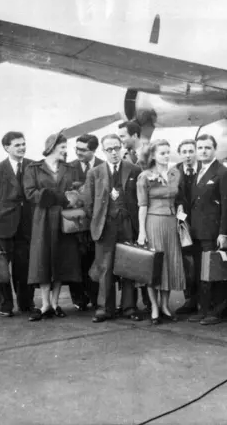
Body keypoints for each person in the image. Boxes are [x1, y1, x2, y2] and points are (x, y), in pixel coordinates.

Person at [23, 131, 83, 321]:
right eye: (62, 148)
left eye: (66, 148)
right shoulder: (33, 168)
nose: (66, 151)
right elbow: (30, 193)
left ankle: (55, 303)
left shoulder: (70, 168)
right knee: (42, 260)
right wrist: (59, 196)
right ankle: (45, 304)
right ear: (51, 148)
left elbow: (76, 191)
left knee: (61, 259)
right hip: (43, 219)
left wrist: (72, 197)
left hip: (64, 219)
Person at [85, 134, 143, 323]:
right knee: (105, 267)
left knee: (129, 266)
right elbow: (89, 203)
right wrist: (98, 221)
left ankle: (129, 307)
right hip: (105, 225)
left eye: (116, 148)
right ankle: (105, 309)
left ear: (122, 148)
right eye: (109, 149)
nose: (114, 152)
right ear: (103, 151)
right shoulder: (95, 173)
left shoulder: (134, 169)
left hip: (127, 224)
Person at [0, 132, 35, 317]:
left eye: (23, 144)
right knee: (1, 268)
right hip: (1, 227)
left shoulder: (33, 166)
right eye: (17, 145)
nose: (22, 147)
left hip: (26, 227)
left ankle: (26, 304)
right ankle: (5, 306)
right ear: (6, 148)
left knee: (25, 267)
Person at [136, 140, 187, 324]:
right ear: (153, 156)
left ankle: (165, 305)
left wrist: (180, 211)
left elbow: (179, 198)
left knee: (169, 265)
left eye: (168, 152)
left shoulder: (175, 173)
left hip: (171, 223)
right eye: (162, 153)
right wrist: (142, 232)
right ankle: (155, 308)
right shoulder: (145, 177)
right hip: (153, 222)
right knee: (154, 266)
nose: (166, 156)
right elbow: (142, 206)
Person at [186, 134, 227, 325]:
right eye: (200, 148)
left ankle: (218, 311)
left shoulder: (223, 173)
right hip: (197, 231)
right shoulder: (197, 171)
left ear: (215, 149)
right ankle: (204, 309)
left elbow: (226, 205)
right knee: (201, 272)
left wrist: (224, 232)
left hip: (213, 232)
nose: (203, 151)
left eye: (207, 147)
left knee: (214, 271)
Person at [118, 120, 152, 313]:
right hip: (128, 217)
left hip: (145, 215)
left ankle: (149, 302)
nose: (121, 140)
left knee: (147, 259)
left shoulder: (148, 154)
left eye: (123, 136)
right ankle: (129, 303)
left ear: (135, 136)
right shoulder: (124, 156)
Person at [68, 134, 103, 311]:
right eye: (77, 149)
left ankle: (96, 297)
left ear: (94, 150)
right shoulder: (69, 167)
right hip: (75, 224)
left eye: (83, 150)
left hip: (96, 223)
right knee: (76, 260)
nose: (78, 152)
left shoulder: (103, 166)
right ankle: (79, 298)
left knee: (95, 260)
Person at [174, 139, 201, 315]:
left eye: (191, 151)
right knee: (187, 263)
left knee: (202, 262)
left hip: (203, 222)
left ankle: (205, 300)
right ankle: (190, 300)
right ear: (180, 153)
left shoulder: (204, 169)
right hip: (184, 223)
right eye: (184, 152)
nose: (188, 155)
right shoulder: (175, 171)